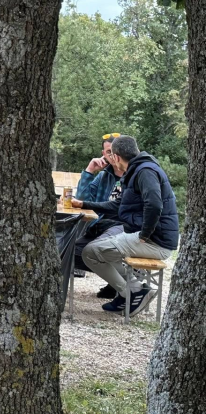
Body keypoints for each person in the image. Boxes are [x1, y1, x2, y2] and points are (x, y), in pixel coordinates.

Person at [73, 135, 179, 316]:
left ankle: (130, 292)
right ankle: (136, 290)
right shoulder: (138, 170)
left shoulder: (145, 171)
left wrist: (145, 234)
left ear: (116, 156)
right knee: (101, 250)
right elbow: (117, 205)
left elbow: (154, 204)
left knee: (90, 252)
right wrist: (84, 205)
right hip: (150, 237)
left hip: (156, 241)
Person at [73, 133, 126, 296]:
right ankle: (117, 281)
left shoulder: (134, 175)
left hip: (124, 228)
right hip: (101, 226)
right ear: (104, 154)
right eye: (109, 152)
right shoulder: (104, 176)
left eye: (116, 151)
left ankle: (125, 284)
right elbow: (82, 198)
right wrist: (89, 171)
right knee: (71, 251)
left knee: (92, 250)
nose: (113, 156)